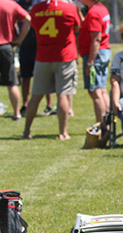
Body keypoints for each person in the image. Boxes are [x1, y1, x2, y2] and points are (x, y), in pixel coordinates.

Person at [23, 0, 80, 140]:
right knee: (62, 95)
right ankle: (63, 133)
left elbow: (34, 27)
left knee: (35, 96)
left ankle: (26, 131)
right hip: (64, 57)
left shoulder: (36, 9)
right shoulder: (69, 8)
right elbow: (77, 27)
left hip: (42, 57)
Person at [78, 0, 111, 125]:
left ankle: (101, 125)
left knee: (95, 91)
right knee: (101, 90)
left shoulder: (94, 12)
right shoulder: (101, 8)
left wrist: (90, 62)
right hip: (103, 51)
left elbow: (96, 38)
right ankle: (107, 122)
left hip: (96, 54)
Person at [0, 0, 31, 121]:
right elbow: (28, 19)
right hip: (6, 47)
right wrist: (19, 40)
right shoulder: (11, 4)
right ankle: (17, 113)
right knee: (11, 82)